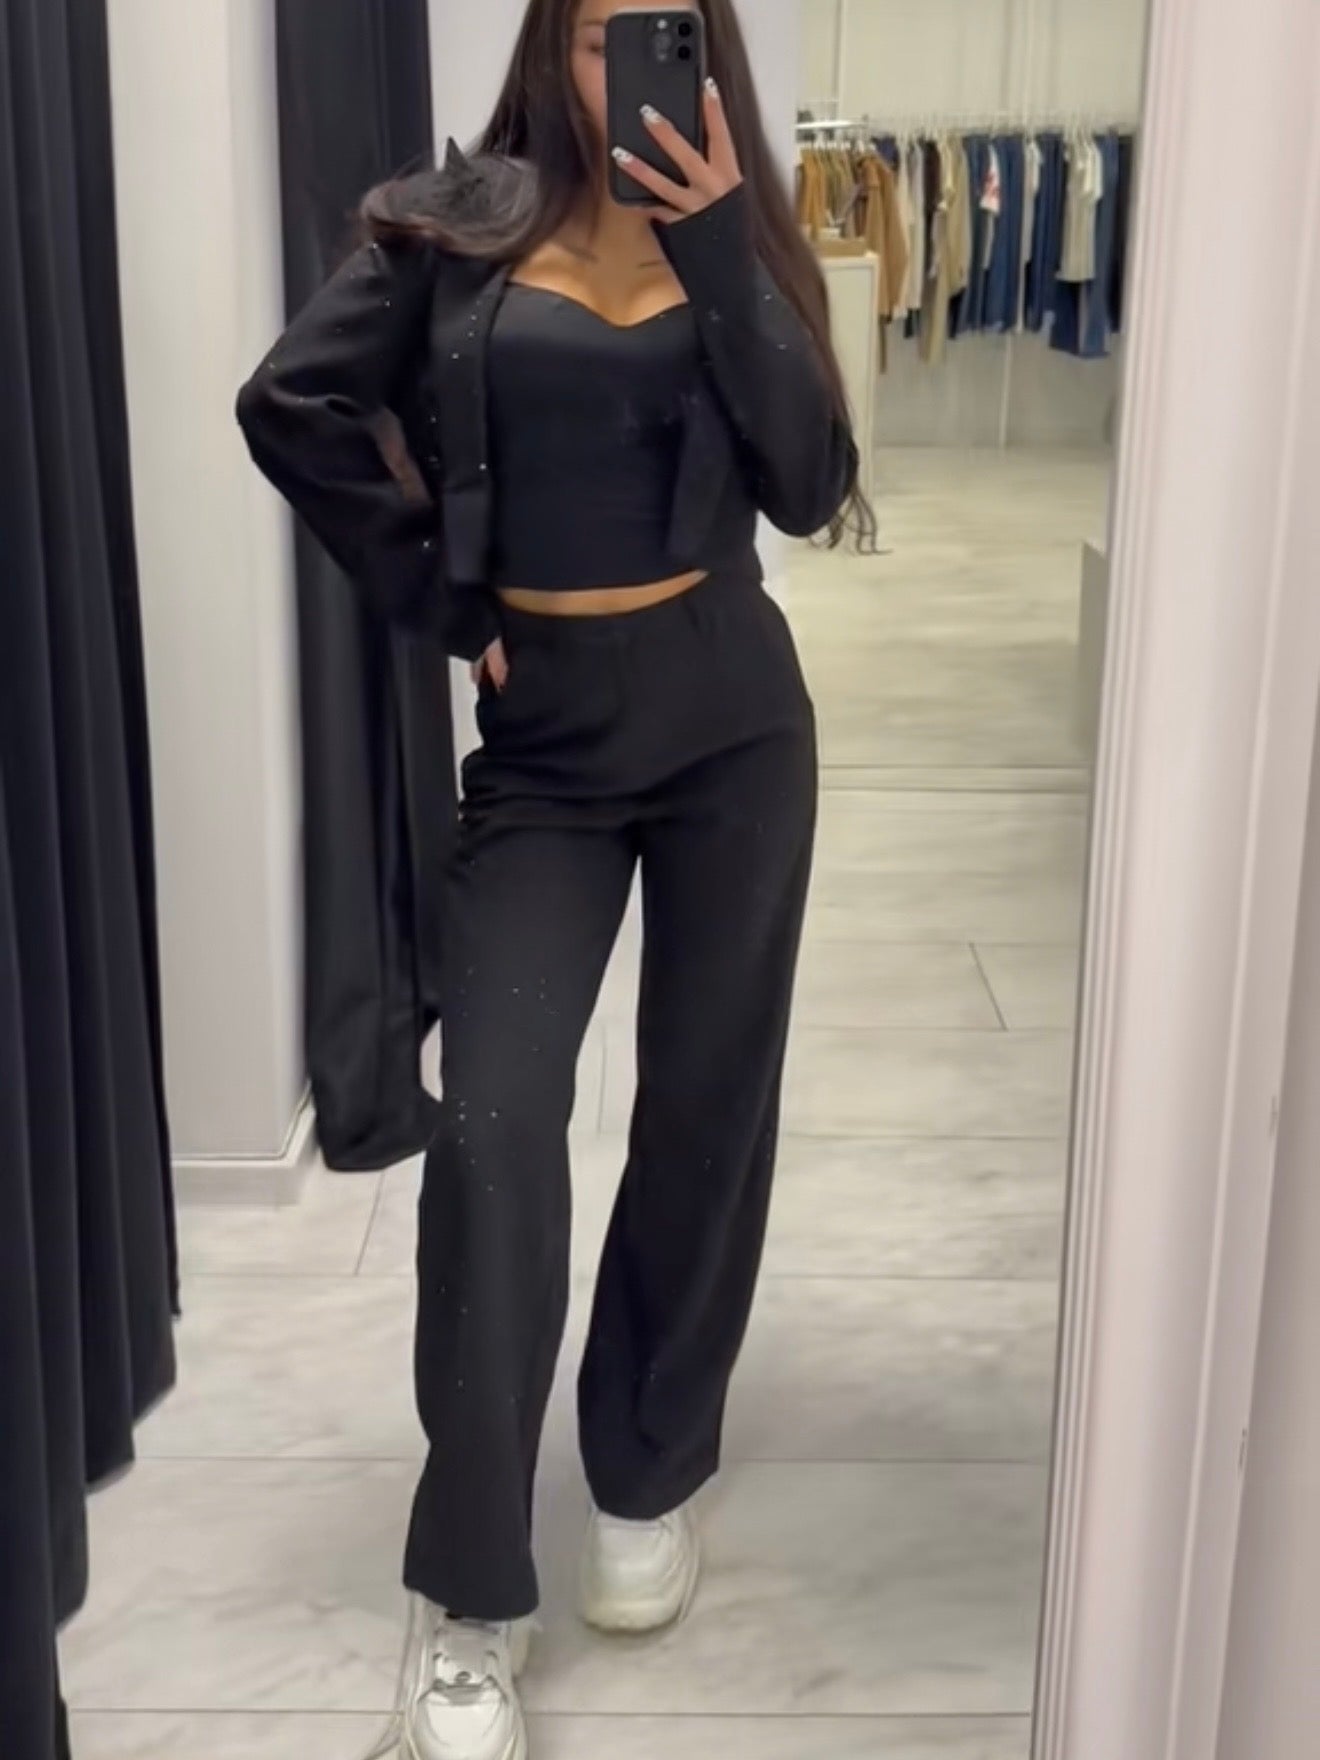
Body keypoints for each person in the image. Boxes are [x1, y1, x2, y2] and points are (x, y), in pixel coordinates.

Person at [236, 2, 866, 1755]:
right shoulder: (459, 226)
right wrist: (446, 603)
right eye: (600, 38)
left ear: (708, 54)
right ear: (551, 52)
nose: (628, 73)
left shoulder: (743, 234)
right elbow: (292, 402)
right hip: (547, 751)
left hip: (735, 722)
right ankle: (471, 1590)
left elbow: (810, 485)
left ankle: (646, 1471)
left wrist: (720, 239)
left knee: (705, 1109)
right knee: (496, 1127)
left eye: (663, 34)